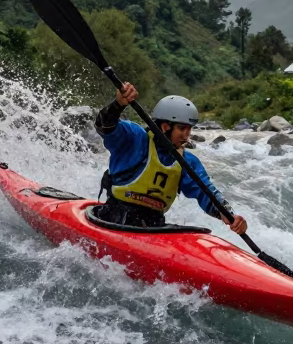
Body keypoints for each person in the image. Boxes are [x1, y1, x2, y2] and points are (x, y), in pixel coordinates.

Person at [92, 82, 248, 235]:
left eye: (190, 129)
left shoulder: (188, 162)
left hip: (154, 226)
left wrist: (229, 215)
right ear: (165, 126)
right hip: (114, 218)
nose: (187, 136)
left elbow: (206, 193)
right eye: (182, 128)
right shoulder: (135, 138)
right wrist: (118, 104)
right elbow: (104, 126)